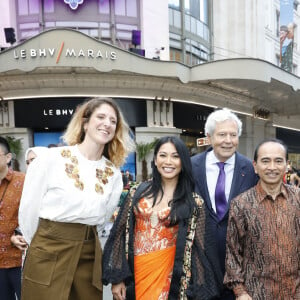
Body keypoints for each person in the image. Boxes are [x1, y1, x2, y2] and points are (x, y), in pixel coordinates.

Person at [18, 97, 135, 300]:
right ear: (85, 122)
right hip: (48, 250)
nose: (107, 123)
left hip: (89, 253)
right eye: (101, 117)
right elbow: (28, 211)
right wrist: (42, 246)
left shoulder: (113, 173)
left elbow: (104, 217)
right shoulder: (51, 159)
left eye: (113, 121)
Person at [103, 136, 222, 300]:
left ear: (183, 162)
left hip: (170, 280)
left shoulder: (194, 203)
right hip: (135, 275)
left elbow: (201, 251)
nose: (168, 162)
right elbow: (118, 234)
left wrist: (199, 291)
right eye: (163, 155)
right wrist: (117, 278)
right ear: (155, 160)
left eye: (175, 156)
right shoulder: (136, 193)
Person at [191, 108, 257, 300]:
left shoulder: (250, 169)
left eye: (233, 135)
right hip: (201, 264)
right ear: (209, 137)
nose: (228, 140)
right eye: (222, 134)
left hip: (239, 267)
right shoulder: (191, 166)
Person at [224, 138, 300, 299]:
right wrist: (240, 293)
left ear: (286, 165)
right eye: (265, 161)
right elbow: (233, 253)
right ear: (255, 166)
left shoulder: (298, 199)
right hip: (255, 294)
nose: (272, 167)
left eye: (278, 161)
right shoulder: (241, 204)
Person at [0, 136, 25, 300]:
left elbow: (34, 215)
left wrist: (18, 233)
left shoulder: (23, 181)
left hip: (20, 261)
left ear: (8, 157)